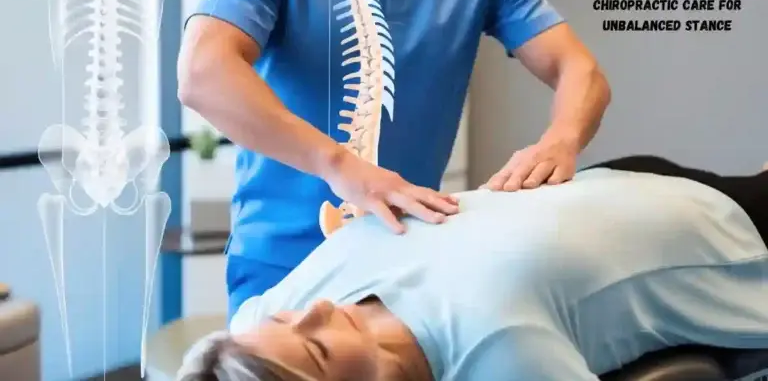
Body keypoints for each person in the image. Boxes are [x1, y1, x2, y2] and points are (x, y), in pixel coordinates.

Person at [176, 0, 612, 319]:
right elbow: (201, 72)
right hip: (280, 267)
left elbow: (580, 70)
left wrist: (562, 138)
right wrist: (342, 166)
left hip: (404, 267)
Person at [176, 155, 768, 381]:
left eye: (293, 319)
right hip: (727, 237)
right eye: (319, 351)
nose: (320, 311)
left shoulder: (256, 328)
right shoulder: (497, 354)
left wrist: (352, 233)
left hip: (606, 175)